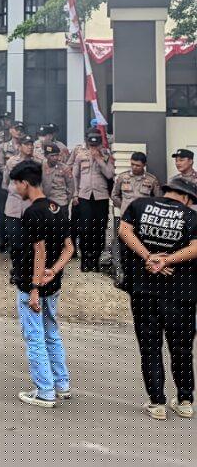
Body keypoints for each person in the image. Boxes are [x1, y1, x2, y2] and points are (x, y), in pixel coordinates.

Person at [119, 176, 197, 420]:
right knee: (182, 349)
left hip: (144, 291)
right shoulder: (191, 216)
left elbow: (124, 230)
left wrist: (149, 257)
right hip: (181, 294)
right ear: (187, 198)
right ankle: (185, 401)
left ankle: (157, 403)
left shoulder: (139, 205)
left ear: (167, 191)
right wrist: (168, 260)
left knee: (150, 347)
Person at [9, 160, 73, 408]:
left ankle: (45, 391)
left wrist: (35, 287)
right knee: (51, 333)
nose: (16, 189)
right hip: (52, 283)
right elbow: (69, 248)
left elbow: (40, 251)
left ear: (25, 183)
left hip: (32, 284)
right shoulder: (58, 208)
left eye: (17, 184)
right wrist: (53, 272)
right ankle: (62, 384)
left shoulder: (33, 212)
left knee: (34, 337)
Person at [110, 153, 160, 288]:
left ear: (144, 165)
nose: (134, 167)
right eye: (132, 164)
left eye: (138, 165)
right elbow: (114, 195)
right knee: (120, 247)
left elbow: (158, 199)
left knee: (141, 247)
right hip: (125, 221)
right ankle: (121, 275)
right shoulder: (123, 177)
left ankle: (140, 277)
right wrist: (125, 208)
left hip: (143, 221)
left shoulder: (152, 180)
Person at [72, 130, 115, 272]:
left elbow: (109, 174)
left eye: (96, 144)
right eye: (91, 144)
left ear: (101, 143)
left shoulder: (106, 156)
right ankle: (85, 259)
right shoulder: (80, 155)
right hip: (84, 196)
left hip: (101, 197)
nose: (93, 147)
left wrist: (99, 159)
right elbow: (75, 176)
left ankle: (95, 259)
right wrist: (75, 194)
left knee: (99, 229)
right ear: (87, 142)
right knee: (85, 229)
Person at [2, 135, 37, 266]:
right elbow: (5, 182)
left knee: (30, 240)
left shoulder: (38, 163)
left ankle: (28, 269)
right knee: (15, 240)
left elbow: (41, 185)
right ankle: (17, 269)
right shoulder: (11, 162)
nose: (30, 147)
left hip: (30, 206)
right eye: (27, 144)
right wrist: (16, 191)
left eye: (31, 145)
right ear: (20, 146)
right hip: (14, 207)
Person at [0, 113, 14, 251]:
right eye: (3, 120)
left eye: (8, 120)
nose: (5, 122)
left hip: (14, 178)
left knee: (12, 209)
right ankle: (1, 236)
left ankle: (12, 237)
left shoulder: (18, 136)